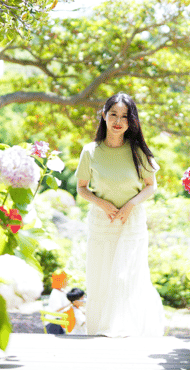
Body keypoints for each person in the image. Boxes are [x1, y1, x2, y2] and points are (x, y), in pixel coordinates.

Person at [75, 92, 164, 337]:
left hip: (131, 221)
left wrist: (130, 206)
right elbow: (81, 188)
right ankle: (101, 331)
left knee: (127, 277)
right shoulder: (90, 151)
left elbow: (151, 186)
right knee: (101, 276)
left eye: (124, 116)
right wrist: (101, 203)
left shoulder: (138, 152)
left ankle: (129, 330)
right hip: (102, 222)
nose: (118, 121)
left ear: (131, 121)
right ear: (104, 116)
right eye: (113, 114)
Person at [45, 271, 70, 335]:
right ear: (60, 281)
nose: (67, 282)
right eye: (66, 279)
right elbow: (57, 309)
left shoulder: (63, 291)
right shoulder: (55, 293)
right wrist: (70, 303)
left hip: (61, 321)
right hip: (54, 323)